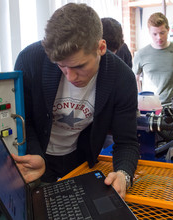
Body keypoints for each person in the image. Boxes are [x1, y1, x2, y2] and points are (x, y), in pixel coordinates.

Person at [13, 3, 139, 199]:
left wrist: (123, 174)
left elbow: (127, 142)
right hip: (36, 159)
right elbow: (23, 119)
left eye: (79, 66)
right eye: (61, 66)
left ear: (101, 48)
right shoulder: (30, 60)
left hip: (80, 160)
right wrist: (36, 153)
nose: (71, 77)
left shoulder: (122, 78)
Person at [133, 12, 173, 104]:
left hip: (171, 106)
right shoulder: (141, 54)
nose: (159, 37)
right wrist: (140, 99)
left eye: (162, 33)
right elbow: (135, 79)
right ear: (149, 32)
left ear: (168, 30)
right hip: (149, 106)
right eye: (154, 34)